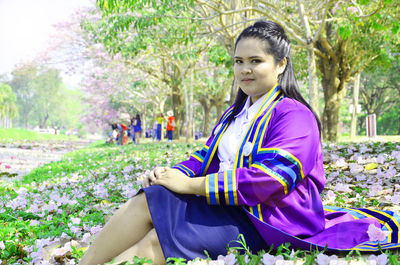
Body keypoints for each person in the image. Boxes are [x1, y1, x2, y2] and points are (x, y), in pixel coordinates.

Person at [79, 21, 400, 265]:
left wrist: (192, 186)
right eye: (238, 61)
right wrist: (168, 174)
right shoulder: (235, 113)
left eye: (255, 61)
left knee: (157, 243)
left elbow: (271, 179)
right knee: (149, 198)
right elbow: (204, 157)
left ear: (281, 64)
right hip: (230, 206)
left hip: (271, 220)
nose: (244, 70)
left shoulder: (295, 116)